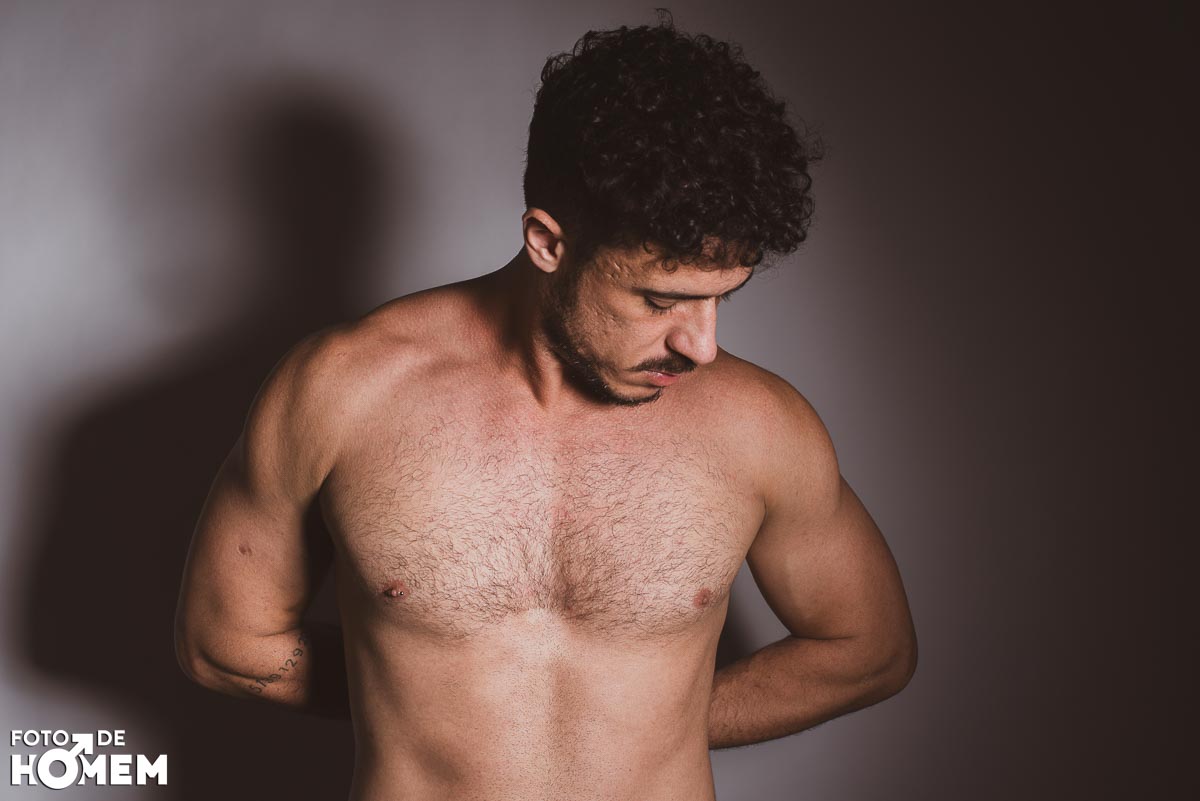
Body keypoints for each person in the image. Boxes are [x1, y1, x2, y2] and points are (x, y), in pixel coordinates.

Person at [174, 14, 917, 801]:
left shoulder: (758, 425)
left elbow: (867, 649)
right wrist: (413, 705)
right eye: (660, 300)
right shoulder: (343, 391)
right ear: (548, 242)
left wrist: (650, 723)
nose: (700, 345)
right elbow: (225, 642)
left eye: (720, 299)